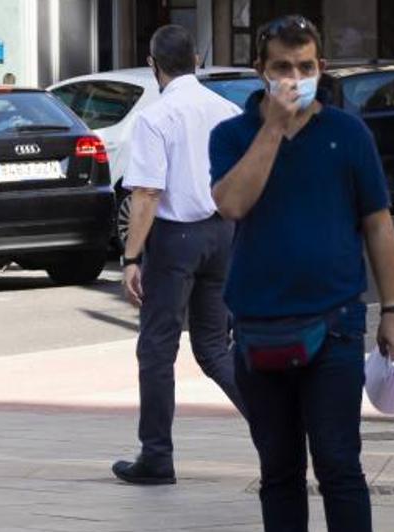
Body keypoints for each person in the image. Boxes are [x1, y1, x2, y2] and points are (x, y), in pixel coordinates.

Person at [210, 15, 394, 532]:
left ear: (321, 68)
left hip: (335, 326)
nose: (296, 79)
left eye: (306, 67)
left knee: (339, 465)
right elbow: (232, 203)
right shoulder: (232, 133)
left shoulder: (348, 135)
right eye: (283, 68)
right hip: (258, 328)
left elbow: (378, 222)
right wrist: (271, 128)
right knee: (277, 470)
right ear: (261, 72)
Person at [111, 25, 246, 486]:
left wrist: (131, 257)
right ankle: (278, 435)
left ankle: (156, 455)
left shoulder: (156, 117)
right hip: (223, 234)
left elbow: (147, 193)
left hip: (174, 240)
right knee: (213, 347)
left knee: (156, 348)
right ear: (197, 60)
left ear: (154, 66)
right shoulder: (227, 110)